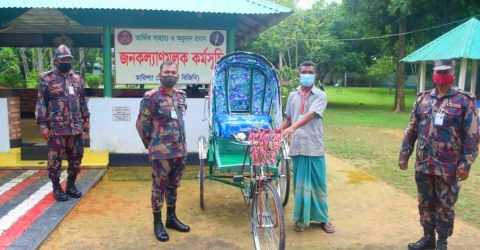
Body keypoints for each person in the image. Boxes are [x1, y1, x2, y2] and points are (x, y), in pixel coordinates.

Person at [399, 60, 479, 250]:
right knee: (425, 203)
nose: (441, 75)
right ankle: (428, 238)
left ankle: (442, 242)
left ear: (452, 73)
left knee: (445, 206)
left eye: (445, 72)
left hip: (449, 167)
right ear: (433, 73)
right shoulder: (423, 99)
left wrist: (466, 164)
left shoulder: (464, 101)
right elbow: (411, 129)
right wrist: (404, 154)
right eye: (438, 72)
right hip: (424, 164)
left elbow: (472, 135)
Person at [136, 61, 190, 242]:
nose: (170, 74)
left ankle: (171, 218)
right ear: (159, 75)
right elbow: (141, 125)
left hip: (179, 151)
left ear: (178, 75)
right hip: (160, 153)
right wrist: (151, 144)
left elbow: (180, 121)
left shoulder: (181, 96)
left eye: (173, 72)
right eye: (166, 71)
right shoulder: (150, 97)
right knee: (159, 187)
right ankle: (158, 222)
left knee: (174, 186)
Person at [281, 61, 334, 233]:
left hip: (314, 145)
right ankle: (301, 219)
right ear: (299, 74)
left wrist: (293, 127)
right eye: (304, 72)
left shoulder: (320, 95)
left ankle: (323, 219)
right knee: (300, 184)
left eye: (310, 72)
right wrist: (278, 130)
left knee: (319, 184)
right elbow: (288, 119)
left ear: (315, 74)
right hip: (297, 146)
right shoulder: (292, 96)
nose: (306, 74)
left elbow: (311, 115)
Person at [35, 44, 89, 202]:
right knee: (54, 161)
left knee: (76, 159)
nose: (66, 61)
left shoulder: (77, 79)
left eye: (69, 59)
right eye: (63, 59)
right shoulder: (47, 79)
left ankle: (71, 185)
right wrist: (43, 125)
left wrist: (86, 121)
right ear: (56, 61)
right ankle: (57, 188)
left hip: (76, 128)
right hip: (56, 129)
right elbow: (41, 103)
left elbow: (82, 102)